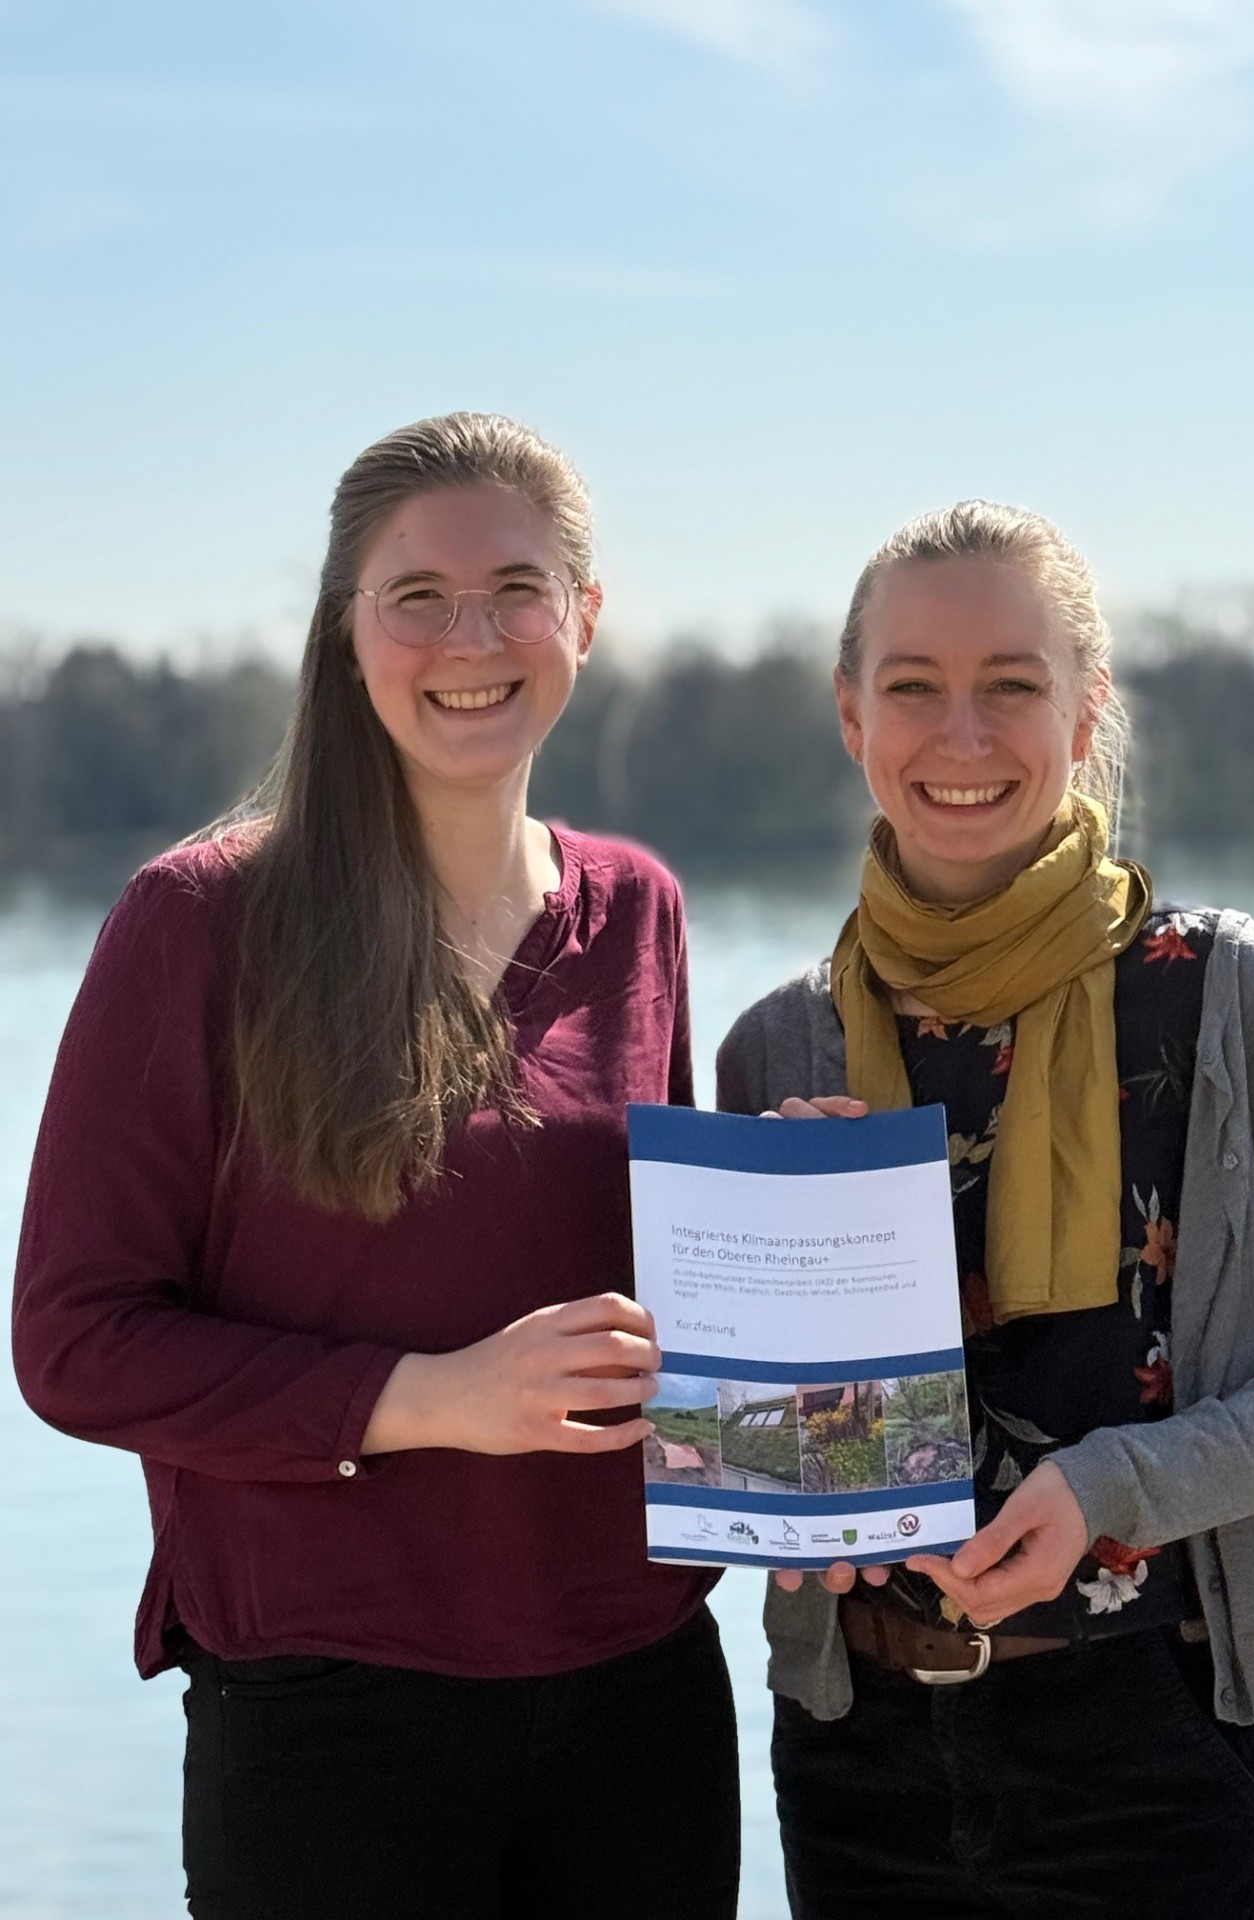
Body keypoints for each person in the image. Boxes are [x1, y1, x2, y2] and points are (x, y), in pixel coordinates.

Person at [13, 413, 739, 1920]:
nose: (469, 636)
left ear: (584, 621)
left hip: (643, 1695)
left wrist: (794, 1235)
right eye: (416, 594)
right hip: (330, 1717)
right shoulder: (201, 923)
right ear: (348, 631)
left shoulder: (642, 911)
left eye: (516, 588)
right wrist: (432, 1398)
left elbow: (664, 1303)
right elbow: (74, 1344)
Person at [716, 500, 1254, 1919]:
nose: (962, 735)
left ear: (1088, 707)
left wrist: (1118, 1486)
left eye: (1014, 686)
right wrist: (800, 1293)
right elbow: (752, 1463)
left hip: (1165, 1754)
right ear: (850, 714)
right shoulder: (777, 1049)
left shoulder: (1226, 996)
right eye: (914, 687)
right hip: (859, 1764)